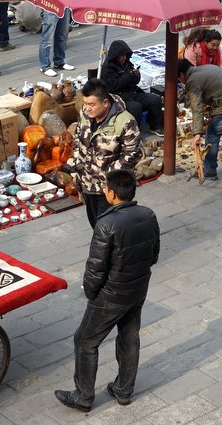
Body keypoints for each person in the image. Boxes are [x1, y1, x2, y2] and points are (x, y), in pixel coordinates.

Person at [55, 170, 161, 412]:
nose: (104, 191)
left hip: (111, 295)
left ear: (113, 194)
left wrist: (92, 293)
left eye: (106, 189)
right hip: (138, 288)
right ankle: (123, 390)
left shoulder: (106, 224)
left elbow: (95, 268)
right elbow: (154, 254)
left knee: (84, 341)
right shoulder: (148, 215)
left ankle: (83, 396)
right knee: (129, 337)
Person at [68, 78, 142, 227]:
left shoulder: (126, 122)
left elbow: (132, 154)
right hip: (87, 183)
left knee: (107, 228)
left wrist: (108, 176)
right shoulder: (85, 113)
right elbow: (77, 137)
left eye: (91, 104)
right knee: (95, 224)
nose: (87, 108)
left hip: (109, 189)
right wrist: (77, 162)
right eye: (85, 103)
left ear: (106, 103)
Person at [100, 40, 163, 135]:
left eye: (125, 55)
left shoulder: (127, 63)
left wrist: (136, 76)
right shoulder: (108, 68)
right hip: (119, 97)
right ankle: (132, 133)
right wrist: (129, 75)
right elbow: (113, 86)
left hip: (133, 93)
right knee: (136, 107)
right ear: (116, 56)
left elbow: (134, 81)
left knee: (155, 100)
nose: (124, 58)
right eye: (122, 56)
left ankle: (155, 126)